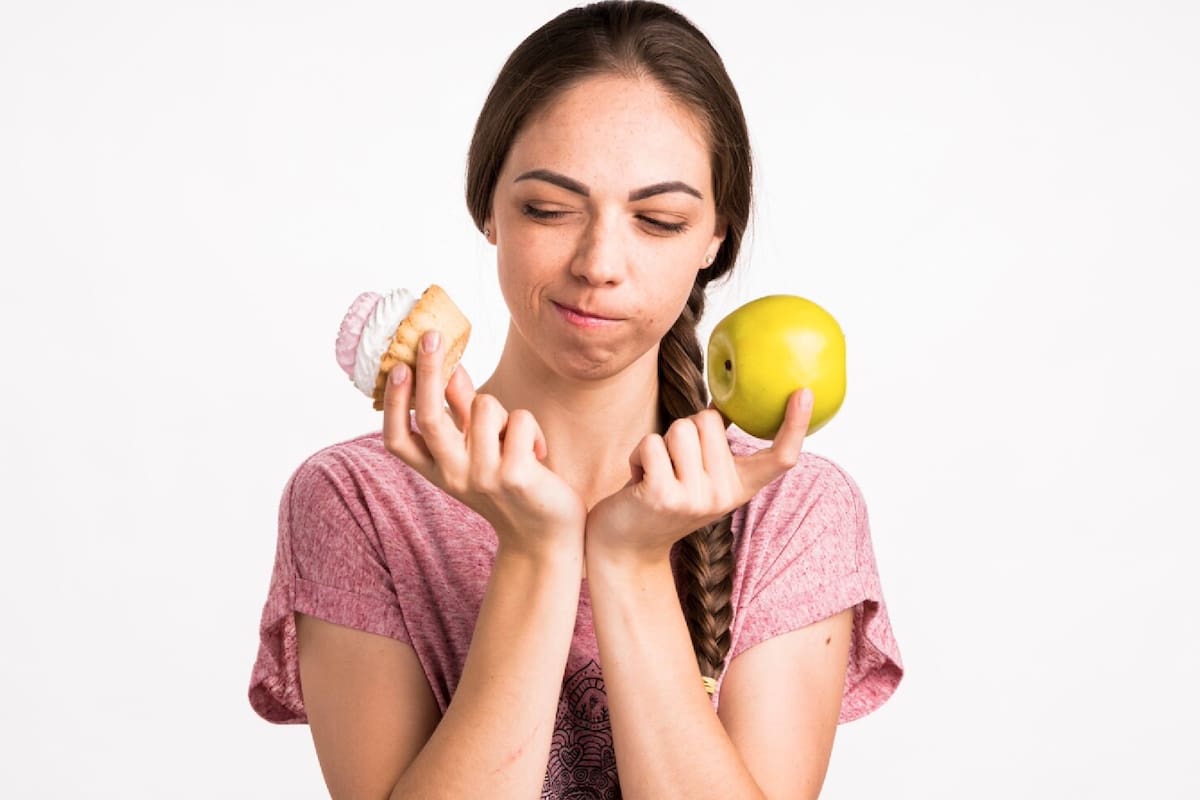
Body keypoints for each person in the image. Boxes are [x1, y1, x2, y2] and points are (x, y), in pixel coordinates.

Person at [249, 2, 903, 797]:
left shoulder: (791, 508)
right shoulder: (360, 500)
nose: (600, 263)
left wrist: (628, 563)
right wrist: (536, 552)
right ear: (487, 205)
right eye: (549, 209)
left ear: (714, 240)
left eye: (658, 220)